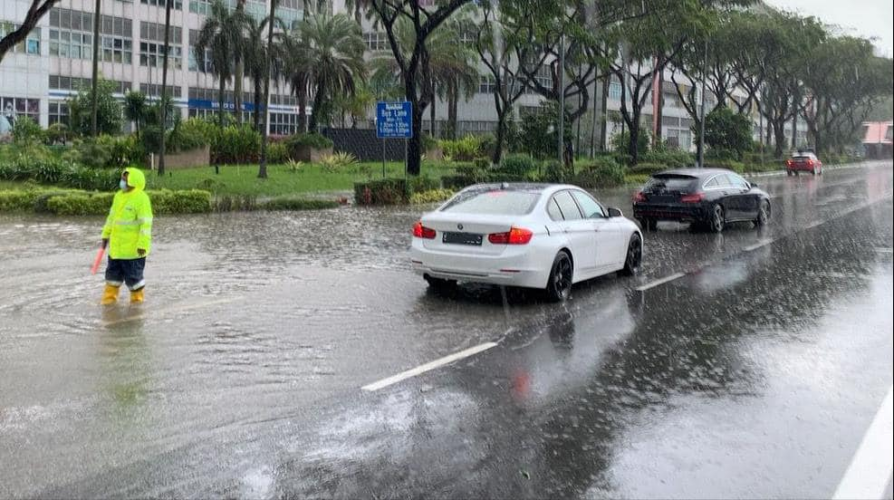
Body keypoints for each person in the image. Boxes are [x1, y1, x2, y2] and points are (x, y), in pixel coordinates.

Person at [100, 167, 153, 305]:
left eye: (125, 180)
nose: (122, 182)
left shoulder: (141, 199)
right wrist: (105, 235)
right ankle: (108, 305)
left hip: (133, 253)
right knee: (112, 279)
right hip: (116, 251)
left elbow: (145, 225)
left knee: (135, 282)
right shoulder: (118, 196)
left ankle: (137, 308)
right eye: (122, 179)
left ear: (133, 182)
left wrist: (143, 245)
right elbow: (111, 218)